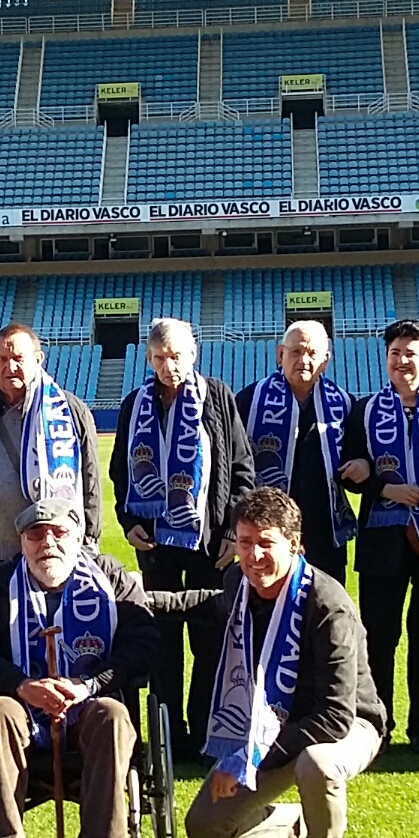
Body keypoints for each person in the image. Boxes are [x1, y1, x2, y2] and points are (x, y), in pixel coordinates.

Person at [180, 488, 385, 838]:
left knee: (318, 764)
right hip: (275, 725)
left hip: (349, 726)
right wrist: (137, 599)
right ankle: (303, 827)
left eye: (265, 543)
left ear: (294, 544)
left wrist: (249, 760)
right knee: (205, 826)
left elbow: (335, 716)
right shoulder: (240, 584)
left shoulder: (328, 605)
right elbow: (208, 604)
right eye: (244, 542)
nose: (253, 556)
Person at [0, 498, 160, 838]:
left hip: (90, 707)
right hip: (21, 711)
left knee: (113, 714)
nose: (48, 543)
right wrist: (21, 685)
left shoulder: (111, 579)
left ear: (78, 537)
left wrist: (88, 685)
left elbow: (146, 644)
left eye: (59, 533)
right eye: (36, 534)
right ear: (21, 542)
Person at [109, 316, 252, 759]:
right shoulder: (135, 403)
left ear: (192, 354)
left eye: (175, 356)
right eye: (159, 357)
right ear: (148, 358)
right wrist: (128, 519)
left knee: (210, 637)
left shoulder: (218, 397)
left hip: (209, 542)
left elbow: (242, 470)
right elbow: (119, 471)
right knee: (161, 639)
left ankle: (206, 732)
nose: (168, 366)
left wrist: (233, 530)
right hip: (156, 543)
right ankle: (168, 733)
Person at [339, 319, 419, 754]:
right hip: (383, 538)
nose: (401, 361)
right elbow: (348, 469)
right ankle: (378, 725)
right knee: (379, 637)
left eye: (410, 354)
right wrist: (384, 487)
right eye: (394, 353)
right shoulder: (364, 410)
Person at [0, 324, 103, 565]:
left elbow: (90, 480)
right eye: (2, 359)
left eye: (18, 358)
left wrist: (90, 539)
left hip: (47, 551)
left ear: (38, 359)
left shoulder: (69, 409)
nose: (10, 367)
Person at [239, 320, 356, 581]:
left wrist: (362, 465)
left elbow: (358, 456)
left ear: (325, 360)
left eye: (312, 353)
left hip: (324, 530)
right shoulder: (249, 400)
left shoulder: (344, 404)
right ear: (280, 354)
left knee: (324, 599)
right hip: (267, 528)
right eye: (296, 351)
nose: (303, 360)